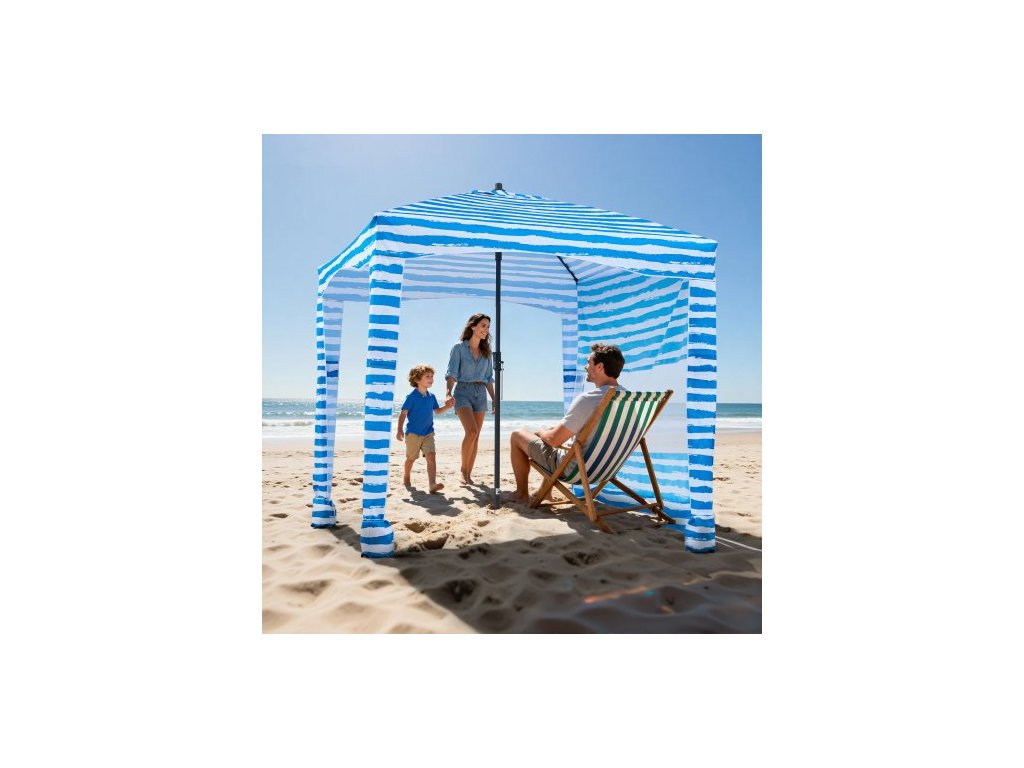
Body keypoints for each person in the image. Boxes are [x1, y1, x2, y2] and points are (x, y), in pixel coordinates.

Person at [504, 343, 627, 504]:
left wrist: (541, 432)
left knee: (517, 435)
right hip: (607, 469)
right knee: (556, 433)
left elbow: (554, 440)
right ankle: (544, 492)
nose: (585, 367)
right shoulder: (628, 398)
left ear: (599, 367)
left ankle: (521, 494)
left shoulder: (589, 400)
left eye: (588, 363)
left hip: (577, 470)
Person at [445, 313, 497, 485]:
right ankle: (462, 470)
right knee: (471, 432)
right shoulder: (458, 348)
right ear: (473, 326)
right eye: (483, 325)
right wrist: (448, 393)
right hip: (463, 392)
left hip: (480, 393)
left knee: (476, 436)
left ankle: (468, 474)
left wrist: (494, 398)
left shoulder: (487, 352)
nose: (486, 329)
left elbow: (488, 378)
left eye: (488, 326)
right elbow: (452, 373)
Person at [396, 364, 455, 493]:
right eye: (427, 376)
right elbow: (403, 414)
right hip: (413, 433)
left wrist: (447, 407)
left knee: (431, 456)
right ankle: (406, 476)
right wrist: (399, 429)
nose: (431, 379)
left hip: (428, 432)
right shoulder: (411, 397)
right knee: (411, 458)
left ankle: (432, 484)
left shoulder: (431, 397)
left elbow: (437, 411)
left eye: (432, 376)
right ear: (417, 380)